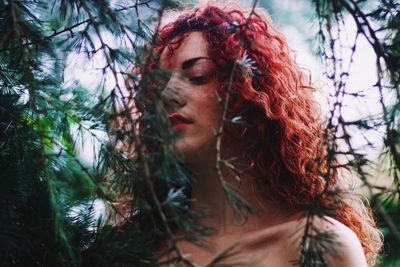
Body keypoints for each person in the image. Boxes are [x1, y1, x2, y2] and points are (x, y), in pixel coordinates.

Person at [120, 2, 382, 266]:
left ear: (250, 92)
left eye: (198, 76)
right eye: (156, 86)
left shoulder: (318, 247)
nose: (167, 96)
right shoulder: (136, 252)